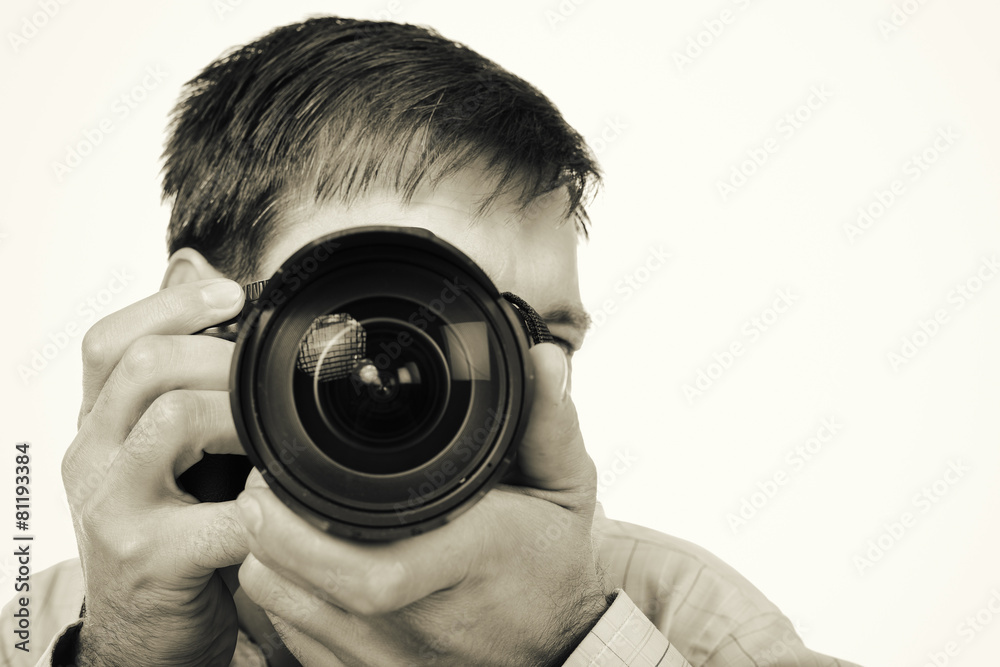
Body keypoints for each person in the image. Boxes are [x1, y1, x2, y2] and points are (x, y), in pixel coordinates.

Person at [2, 17, 860, 667]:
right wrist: (125, 653)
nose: (469, 373)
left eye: (536, 336)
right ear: (201, 315)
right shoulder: (32, 625)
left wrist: (576, 645)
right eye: (392, 321)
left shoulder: (681, 617)